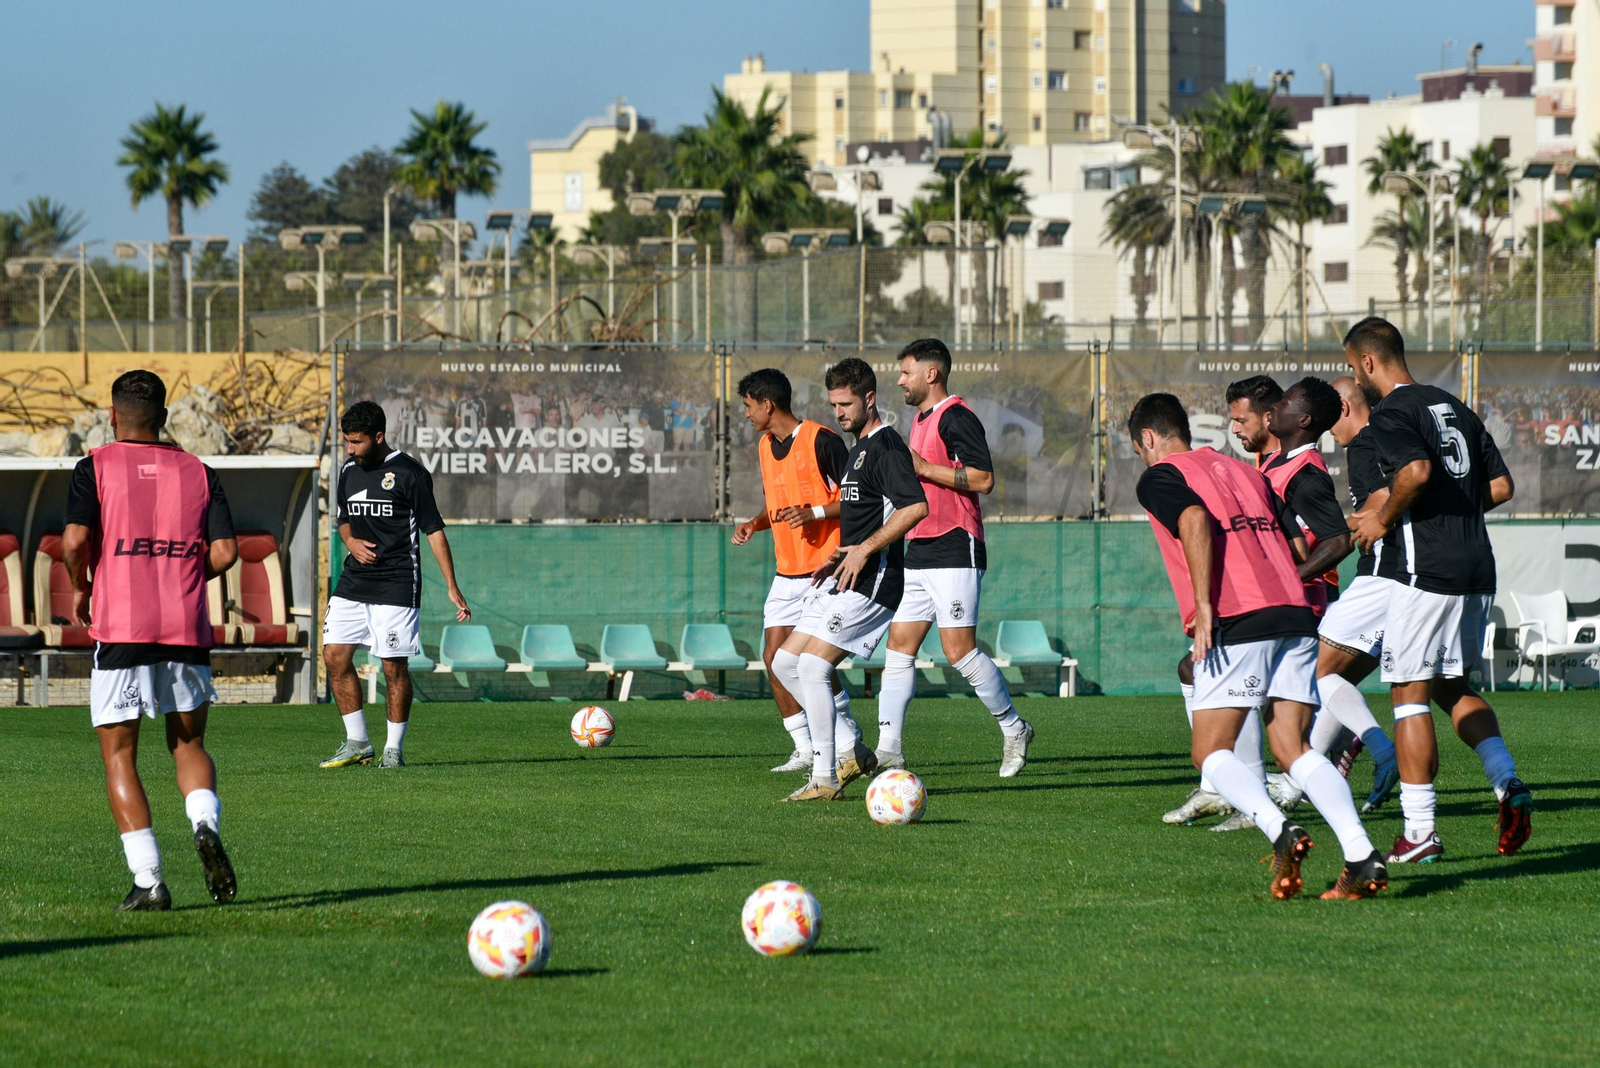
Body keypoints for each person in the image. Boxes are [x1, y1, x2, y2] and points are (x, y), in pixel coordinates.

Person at [1130, 392, 1386, 900]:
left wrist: (1204, 605)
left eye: (1139, 449)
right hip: (1295, 612)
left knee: (1209, 750)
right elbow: (1295, 543)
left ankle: (1279, 829)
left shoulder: (1160, 475)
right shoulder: (1247, 471)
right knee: (1292, 748)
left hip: (1237, 614)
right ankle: (1361, 855)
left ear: (1148, 439)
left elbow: (1195, 521)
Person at [1343, 316, 1532, 863]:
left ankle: (1420, 830)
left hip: (1428, 574)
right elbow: (1500, 485)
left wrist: (1385, 518)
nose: (1354, 378)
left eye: (1353, 368)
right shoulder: (1456, 406)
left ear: (1369, 363)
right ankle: (1506, 780)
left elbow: (1418, 471)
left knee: (1408, 694)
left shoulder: (1392, 412)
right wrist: (1450, 516)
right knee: (1452, 682)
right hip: (1477, 567)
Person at [62, 369, 240, 911]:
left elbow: (74, 540)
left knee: (120, 754)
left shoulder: (94, 467)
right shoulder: (201, 472)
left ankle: (149, 881)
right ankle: (203, 824)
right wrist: (181, 577)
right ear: (164, 419)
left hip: (122, 632)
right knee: (189, 745)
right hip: (185, 630)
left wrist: (81, 585)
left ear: (112, 416)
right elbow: (227, 552)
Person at [768, 357, 928, 802]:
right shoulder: (857, 449)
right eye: (833, 404)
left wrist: (863, 549)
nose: (838, 412)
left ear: (870, 399)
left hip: (876, 580)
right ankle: (850, 749)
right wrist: (842, 551)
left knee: (814, 667)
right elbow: (864, 516)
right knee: (784, 663)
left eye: (845, 403)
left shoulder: (886, 446)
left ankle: (826, 778)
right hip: (846, 573)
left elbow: (915, 508)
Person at [874, 338, 1034, 776]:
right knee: (898, 648)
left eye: (906, 372)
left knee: (958, 652)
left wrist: (924, 469)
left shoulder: (957, 417)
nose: (900, 380)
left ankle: (1014, 727)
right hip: (919, 547)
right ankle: (889, 749)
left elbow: (983, 479)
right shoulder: (919, 421)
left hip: (955, 544)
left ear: (931, 373)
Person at [321, 401, 471, 770]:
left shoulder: (409, 473)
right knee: (334, 656)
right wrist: (351, 542)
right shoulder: (347, 471)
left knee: (392, 667)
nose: (350, 449)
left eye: (356, 442)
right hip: (354, 580)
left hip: (397, 582)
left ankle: (393, 749)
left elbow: (434, 530)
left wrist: (451, 585)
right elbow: (343, 519)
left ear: (378, 436)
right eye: (346, 442)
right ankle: (357, 742)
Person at [1164, 375, 1284, 827]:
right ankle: (1225, 791)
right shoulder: (1254, 467)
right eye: (1230, 419)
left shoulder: (1293, 466)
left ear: (1270, 417)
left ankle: (1257, 803)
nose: (1233, 429)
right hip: (1267, 602)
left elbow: (1316, 539)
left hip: (1286, 604)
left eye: (1241, 419)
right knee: (1195, 671)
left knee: (1285, 726)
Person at [730, 369, 859, 774]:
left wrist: (815, 513)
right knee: (773, 658)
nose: (746, 415)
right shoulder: (766, 446)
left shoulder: (822, 440)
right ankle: (804, 747)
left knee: (810, 663)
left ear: (767, 404)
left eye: (749, 406)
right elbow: (778, 507)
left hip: (823, 573)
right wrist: (755, 523)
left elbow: (858, 502)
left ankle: (847, 739)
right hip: (785, 573)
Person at [1301, 376, 1403, 814]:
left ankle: (1381, 749)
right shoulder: (1391, 435)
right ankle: (1302, 778)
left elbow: (1385, 502)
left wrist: (1358, 521)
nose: (1328, 430)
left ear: (1343, 408)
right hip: (1413, 576)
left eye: (1329, 420)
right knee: (1339, 680)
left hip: (1383, 572)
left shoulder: (1362, 444)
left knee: (1320, 671)